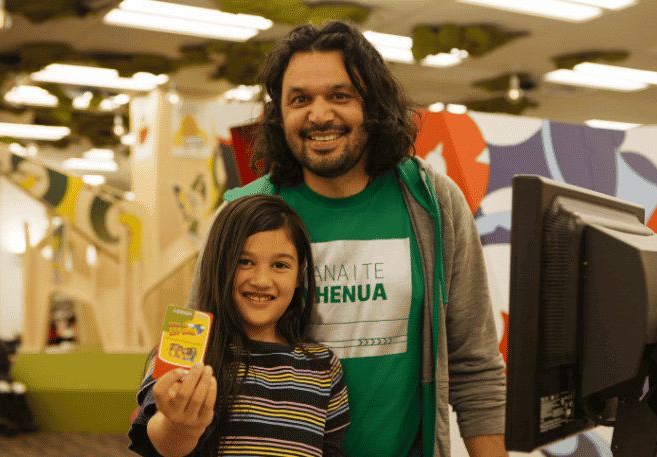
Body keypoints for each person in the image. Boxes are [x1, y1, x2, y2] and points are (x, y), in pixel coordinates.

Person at [187, 20, 507, 457]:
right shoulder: (242, 216)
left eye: (340, 96)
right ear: (279, 116)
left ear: (372, 105)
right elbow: (197, 360)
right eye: (300, 100)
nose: (319, 115)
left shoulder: (432, 203)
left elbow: (476, 367)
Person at [129, 195, 350, 457]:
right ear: (218, 265)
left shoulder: (324, 366)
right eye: (244, 261)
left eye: (280, 265)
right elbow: (159, 443)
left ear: (299, 274)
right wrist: (180, 426)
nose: (261, 280)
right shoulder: (187, 346)